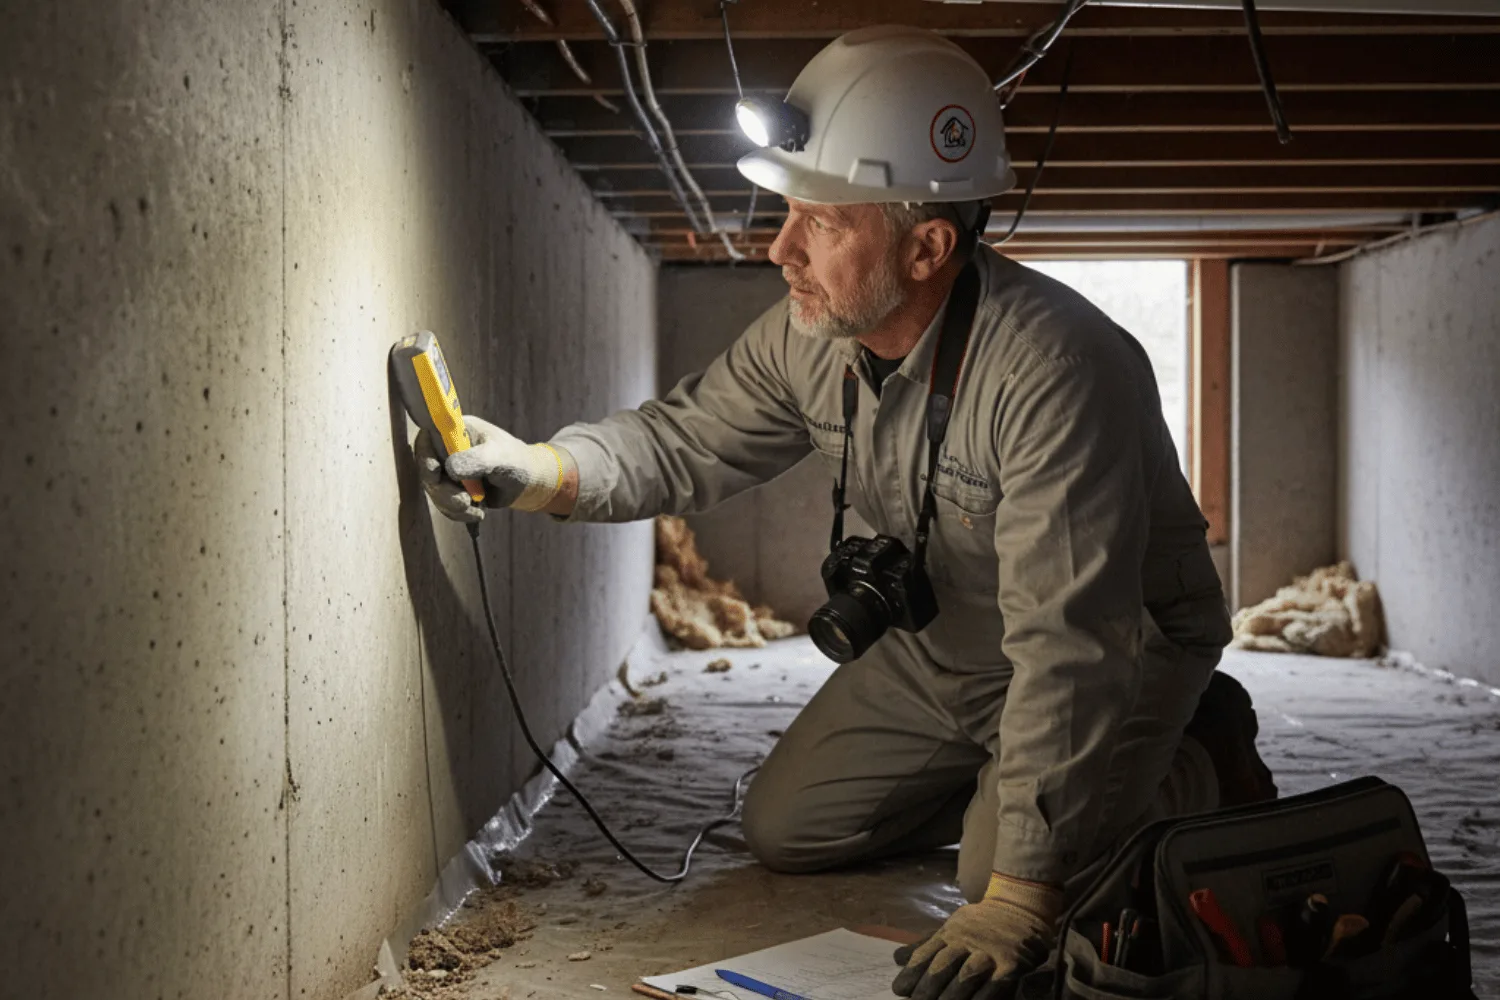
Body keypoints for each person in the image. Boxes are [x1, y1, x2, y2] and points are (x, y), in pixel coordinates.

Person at [415, 26, 1276, 1000]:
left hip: (1112, 646)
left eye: (819, 223)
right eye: (789, 213)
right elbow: (685, 437)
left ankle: (1193, 750)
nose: (779, 248)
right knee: (790, 829)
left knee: (1002, 879)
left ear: (926, 246)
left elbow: (1068, 642)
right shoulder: (812, 333)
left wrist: (1018, 895)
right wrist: (541, 467)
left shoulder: (1057, 371)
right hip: (942, 642)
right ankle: (1017, 785)